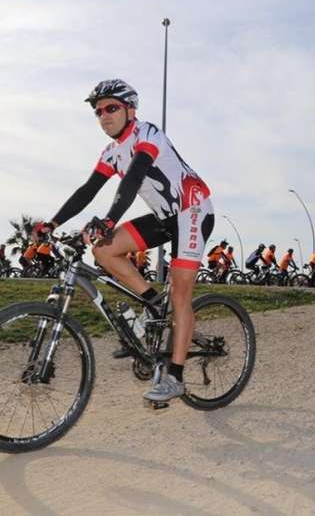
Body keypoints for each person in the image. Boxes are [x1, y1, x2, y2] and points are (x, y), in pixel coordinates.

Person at [31, 79, 213, 403]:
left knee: (181, 294)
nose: (104, 116)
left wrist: (109, 220)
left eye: (111, 108)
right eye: (98, 112)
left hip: (192, 210)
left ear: (130, 109)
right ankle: (154, 303)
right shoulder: (111, 152)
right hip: (164, 218)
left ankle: (175, 377)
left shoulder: (147, 134)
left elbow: (133, 178)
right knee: (103, 250)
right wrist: (53, 223)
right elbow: (88, 190)